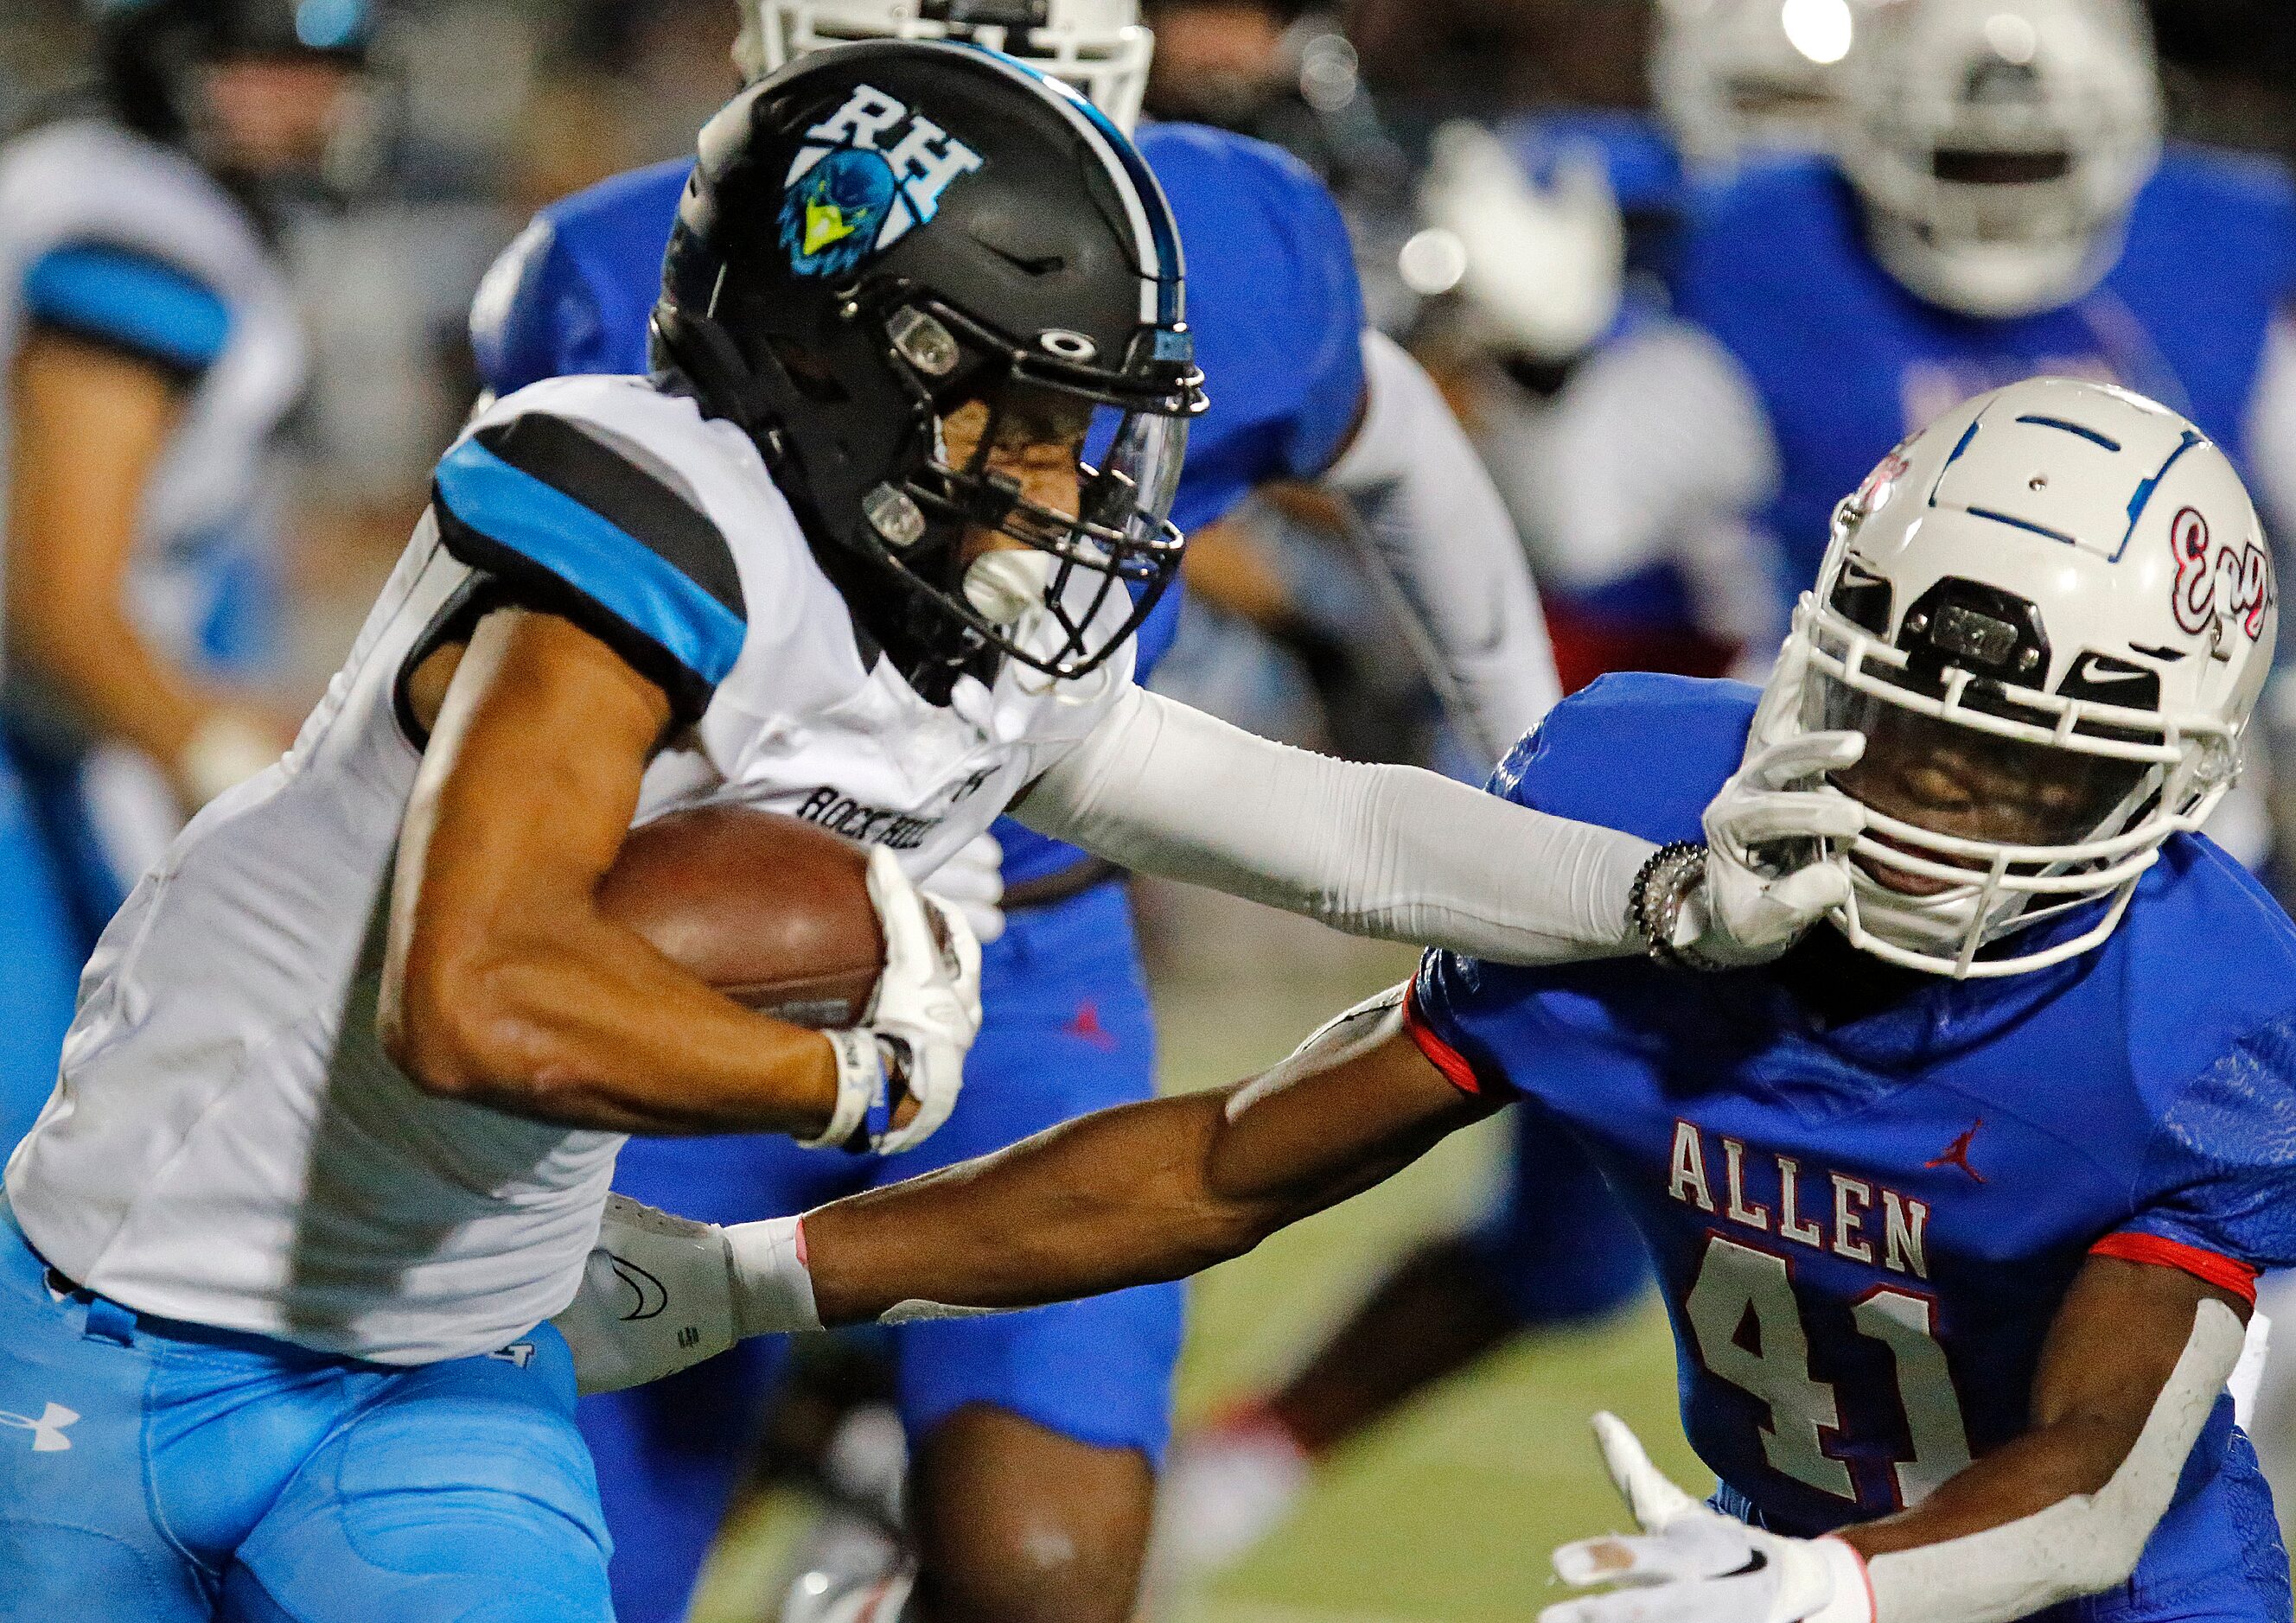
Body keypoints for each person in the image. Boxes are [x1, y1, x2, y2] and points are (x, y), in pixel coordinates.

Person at [0, 42, 1827, 1621]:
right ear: (852, 364)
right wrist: (850, 1083)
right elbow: (470, 1002)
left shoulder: (961, 614)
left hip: (432, 1375)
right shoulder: (638, 512)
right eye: (1026, 419)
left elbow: (1322, 823)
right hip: (108, 1327)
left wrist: (1654, 893)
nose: (1069, 486)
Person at [571, 376, 2296, 1623]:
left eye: (2018, 777)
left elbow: (2094, 1483)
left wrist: (1824, 1594)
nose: (1928, 813)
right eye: (1899, 729)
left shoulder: (2195, 1021)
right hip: (1753, 1571)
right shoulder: (1637, 834)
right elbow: (1220, 1169)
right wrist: (758, 1277)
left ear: (2165, 786)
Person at [465, 3, 1566, 1618]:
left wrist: (1525, 757)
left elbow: (1391, 439)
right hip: (704, 955)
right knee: (591, 1566)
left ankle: (853, 1466)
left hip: (1035, 953)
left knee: (1044, 1570)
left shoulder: (1226, 247)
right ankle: (833, 1447)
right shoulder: (617, 269)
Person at [0, 0, 362, 1149]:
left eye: (318, 64)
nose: (298, 98)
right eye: (253, 61)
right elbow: (58, 605)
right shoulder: (138, 232)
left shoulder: (103, 186)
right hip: (35, 760)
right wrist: (230, 767)